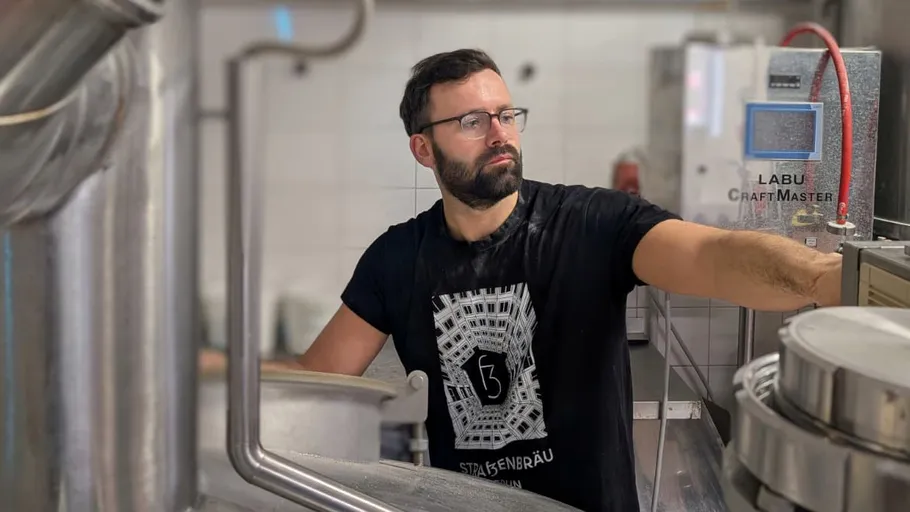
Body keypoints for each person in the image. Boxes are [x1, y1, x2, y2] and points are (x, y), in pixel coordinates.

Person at [200, 49, 842, 511]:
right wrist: (205, 375)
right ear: (423, 149)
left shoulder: (592, 224)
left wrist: (824, 277)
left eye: (506, 114)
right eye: (471, 122)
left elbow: (714, 255)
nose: (499, 134)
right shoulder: (396, 260)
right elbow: (316, 384)